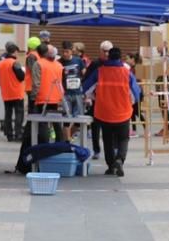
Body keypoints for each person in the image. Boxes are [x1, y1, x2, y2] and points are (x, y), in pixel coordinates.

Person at [82, 46, 141, 177]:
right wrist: (129, 103)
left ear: (108, 57)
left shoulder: (99, 71)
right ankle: (120, 159)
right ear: (120, 57)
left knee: (108, 140)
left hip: (104, 113)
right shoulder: (127, 73)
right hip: (123, 112)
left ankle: (110, 166)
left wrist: (95, 98)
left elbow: (86, 89)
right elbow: (136, 94)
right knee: (123, 139)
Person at [29, 43, 65, 144]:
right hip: (56, 98)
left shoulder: (39, 64)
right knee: (57, 123)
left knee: (43, 124)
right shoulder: (59, 65)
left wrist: (33, 97)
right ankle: (59, 145)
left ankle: (44, 145)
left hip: (42, 98)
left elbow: (36, 83)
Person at [84, 41, 111, 160]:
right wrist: (87, 96)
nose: (106, 54)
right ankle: (96, 149)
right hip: (96, 99)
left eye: (108, 51)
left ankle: (110, 150)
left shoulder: (114, 64)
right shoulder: (95, 64)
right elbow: (86, 80)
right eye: (104, 51)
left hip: (110, 100)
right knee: (95, 126)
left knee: (109, 128)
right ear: (100, 51)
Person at [0, 42, 26, 142]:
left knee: (8, 114)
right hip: (16, 92)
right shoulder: (14, 63)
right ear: (15, 52)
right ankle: (18, 134)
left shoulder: (0, 63)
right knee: (19, 113)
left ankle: (9, 135)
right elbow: (21, 76)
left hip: (6, 92)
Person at [59, 42, 86, 141]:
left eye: (67, 51)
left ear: (71, 52)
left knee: (78, 119)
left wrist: (84, 88)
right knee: (66, 118)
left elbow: (84, 73)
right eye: (63, 51)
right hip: (66, 94)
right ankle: (66, 141)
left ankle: (69, 136)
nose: (65, 54)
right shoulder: (59, 62)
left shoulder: (78, 61)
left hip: (78, 93)